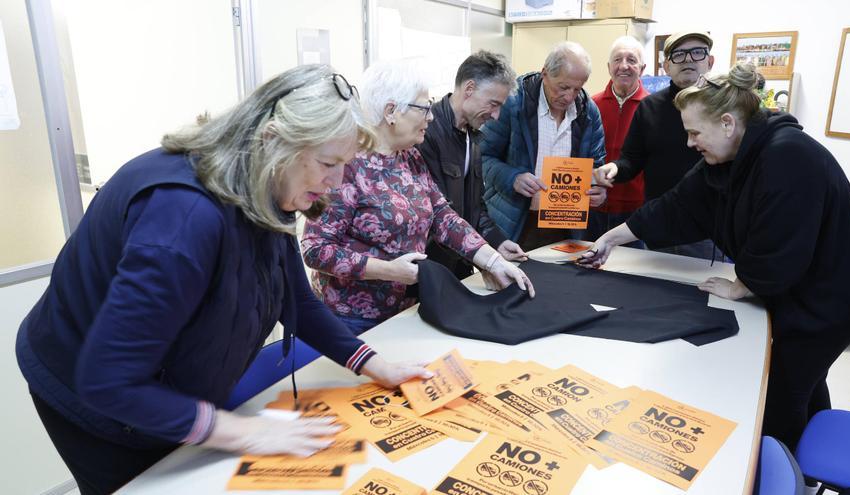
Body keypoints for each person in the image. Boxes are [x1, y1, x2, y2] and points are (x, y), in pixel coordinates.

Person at [15, 65, 436, 495]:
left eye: (345, 165)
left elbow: (298, 299)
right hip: (90, 396)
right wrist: (245, 433)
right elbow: (110, 380)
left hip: (163, 379)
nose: (337, 181)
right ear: (273, 141)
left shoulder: (264, 182)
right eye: (329, 163)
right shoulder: (183, 218)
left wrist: (374, 364)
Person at [580, 63, 850, 451]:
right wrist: (613, 237)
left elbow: (782, 246)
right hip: (809, 286)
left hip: (835, 296)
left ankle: (779, 465)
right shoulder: (731, 157)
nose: (690, 143)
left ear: (726, 123)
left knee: (782, 387)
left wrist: (744, 285)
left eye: (693, 132)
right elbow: (676, 206)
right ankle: (813, 447)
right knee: (807, 379)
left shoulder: (788, 156)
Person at [302, 59, 534, 336]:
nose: (432, 117)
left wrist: (492, 261)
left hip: (407, 309)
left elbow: (443, 216)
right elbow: (316, 249)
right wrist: (389, 270)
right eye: (424, 108)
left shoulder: (409, 156)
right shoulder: (347, 164)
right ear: (391, 112)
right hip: (353, 323)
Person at [593, 30, 717, 259]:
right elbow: (632, 159)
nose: (688, 59)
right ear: (666, 66)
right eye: (679, 54)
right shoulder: (650, 107)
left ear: (710, 61)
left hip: (708, 234)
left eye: (697, 52)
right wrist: (615, 169)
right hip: (658, 229)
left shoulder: (724, 107)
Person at [481, 41, 607, 252]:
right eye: (563, 87)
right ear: (545, 74)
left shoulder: (589, 112)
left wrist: (599, 189)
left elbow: (598, 166)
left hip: (567, 225)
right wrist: (512, 178)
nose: (569, 97)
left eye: (578, 89)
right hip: (516, 222)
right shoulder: (513, 103)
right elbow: (482, 157)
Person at [416, 50, 527, 280]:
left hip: (459, 266)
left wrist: (498, 241)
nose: (496, 116)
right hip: (428, 272)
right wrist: (484, 257)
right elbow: (437, 217)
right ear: (469, 89)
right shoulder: (426, 133)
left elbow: (475, 206)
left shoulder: (473, 136)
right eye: (493, 104)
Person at [584, 36, 650, 245]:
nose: (624, 66)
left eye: (631, 60)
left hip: (634, 212)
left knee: (629, 273)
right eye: (617, 60)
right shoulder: (589, 105)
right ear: (608, 66)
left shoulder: (652, 107)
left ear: (642, 67)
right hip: (590, 206)